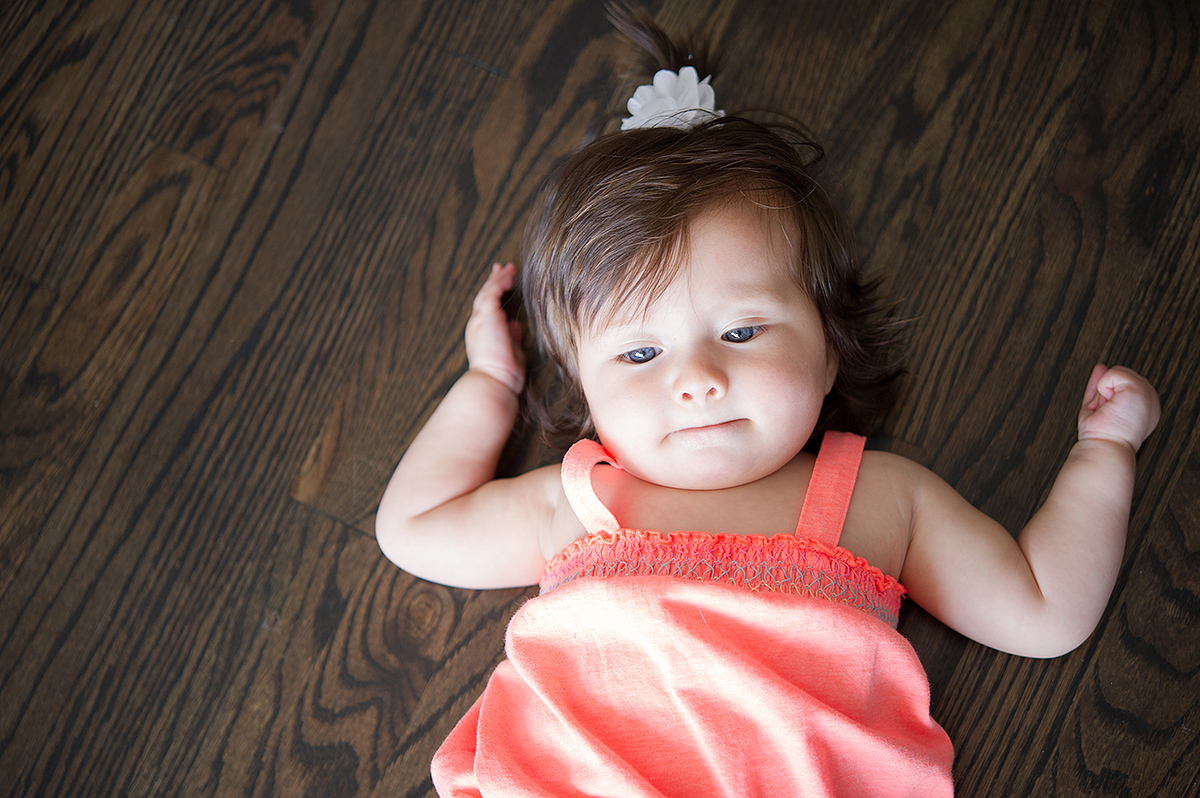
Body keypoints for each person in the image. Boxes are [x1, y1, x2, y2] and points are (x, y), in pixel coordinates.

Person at [375, 9, 1160, 796]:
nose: (698, 378)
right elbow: (414, 526)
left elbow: (1043, 609)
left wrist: (1104, 454)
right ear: (584, 384)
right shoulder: (575, 501)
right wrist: (489, 384)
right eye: (641, 354)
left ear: (829, 349)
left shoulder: (883, 499)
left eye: (742, 331)